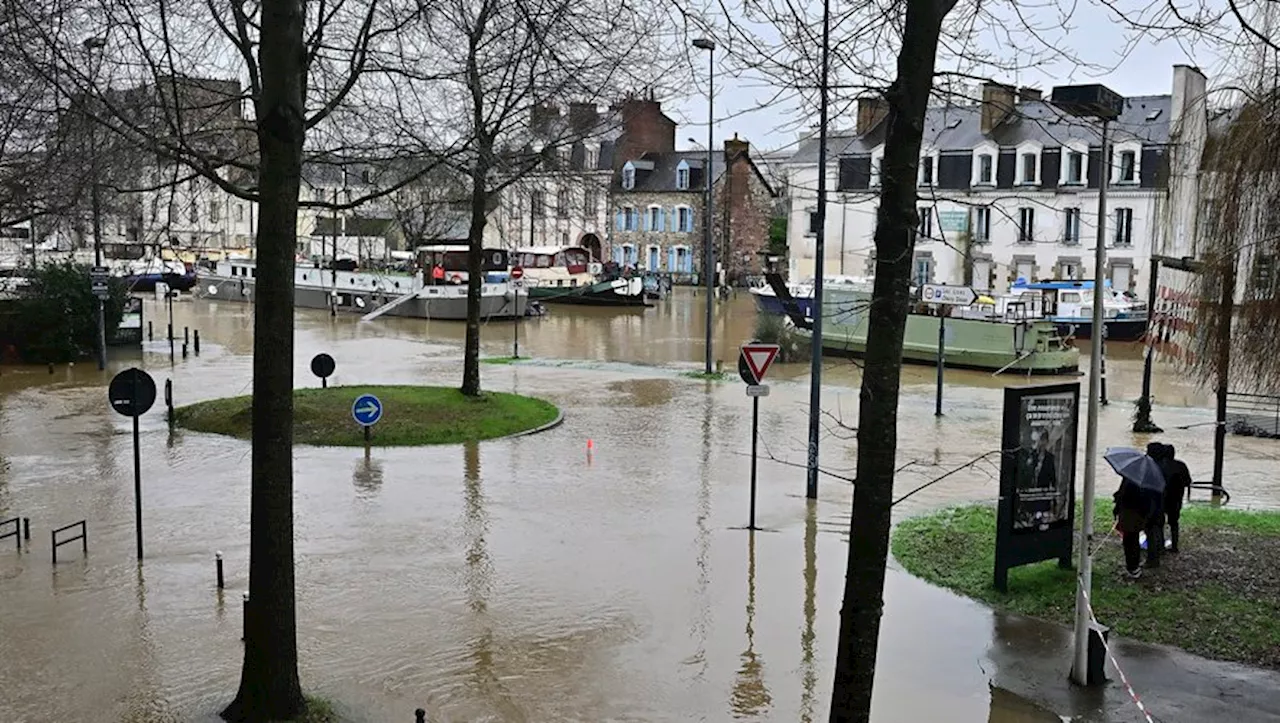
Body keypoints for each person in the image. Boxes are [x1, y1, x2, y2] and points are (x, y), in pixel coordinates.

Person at [1114, 472, 1156, 579]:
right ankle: (1133, 566)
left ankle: (1132, 567)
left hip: (1130, 513)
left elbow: (1123, 495)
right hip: (1137, 514)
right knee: (1132, 540)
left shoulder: (1129, 479)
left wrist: (1117, 505)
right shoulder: (1147, 481)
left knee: (1129, 541)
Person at [1156, 442, 1193, 553]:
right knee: (1174, 523)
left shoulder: (1159, 466)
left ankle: (1161, 546)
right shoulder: (1181, 465)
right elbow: (1188, 482)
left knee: (1159, 523)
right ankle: (1175, 546)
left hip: (1161, 498)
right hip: (1176, 498)